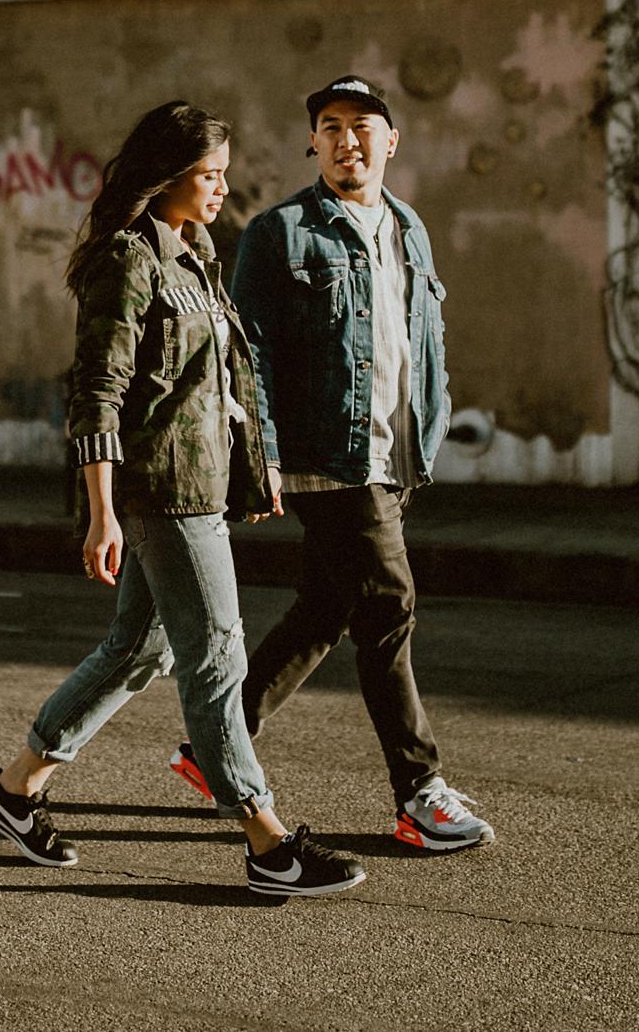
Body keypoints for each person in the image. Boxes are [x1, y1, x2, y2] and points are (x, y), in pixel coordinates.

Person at [0, 100, 367, 898]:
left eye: (223, 175)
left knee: (139, 650)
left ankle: (13, 790)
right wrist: (102, 509)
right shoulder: (128, 257)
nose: (221, 189)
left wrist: (259, 467)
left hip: (203, 486)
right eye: (209, 175)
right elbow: (99, 390)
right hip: (161, 492)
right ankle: (267, 840)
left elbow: (218, 380)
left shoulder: (196, 251)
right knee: (218, 656)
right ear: (168, 176)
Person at [176, 76, 497, 853]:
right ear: (313, 144)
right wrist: (268, 457)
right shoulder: (280, 232)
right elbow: (244, 356)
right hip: (328, 460)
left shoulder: (409, 227)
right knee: (388, 605)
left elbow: (428, 339)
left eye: (362, 125)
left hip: (394, 455)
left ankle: (214, 748)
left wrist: (437, 414)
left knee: (327, 607)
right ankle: (418, 793)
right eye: (330, 126)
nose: (347, 139)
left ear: (391, 141)